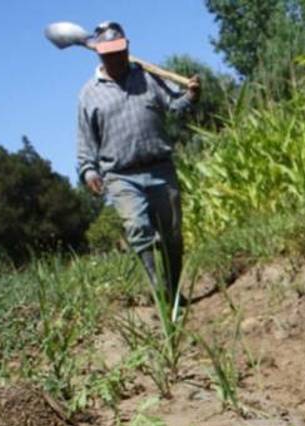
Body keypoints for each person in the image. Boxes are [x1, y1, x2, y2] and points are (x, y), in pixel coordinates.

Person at [76, 21, 200, 313]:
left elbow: (175, 106)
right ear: (98, 54)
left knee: (172, 235)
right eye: (108, 53)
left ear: (127, 48)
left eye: (119, 51)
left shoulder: (149, 80)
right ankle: (158, 289)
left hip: (160, 168)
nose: (114, 57)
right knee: (138, 228)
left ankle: (172, 292)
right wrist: (88, 171)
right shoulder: (89, 94)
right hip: (121, 175)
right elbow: (85, 140)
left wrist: (192, 96)